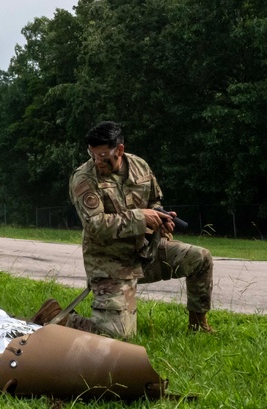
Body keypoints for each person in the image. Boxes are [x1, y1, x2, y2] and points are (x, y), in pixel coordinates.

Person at [33, 121, 214, 338]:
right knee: (117, 336)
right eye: (92, 154)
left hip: (146, 253)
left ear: (119, 149)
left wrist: (160, 217)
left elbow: (154, 200)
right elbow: (95, 225)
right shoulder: (83, 178)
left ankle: (198, 327)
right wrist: (141, 218)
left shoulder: (139, 166)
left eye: (102, 155)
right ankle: (57, 318)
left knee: (200, 258)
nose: (97, 161)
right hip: (109, 263)